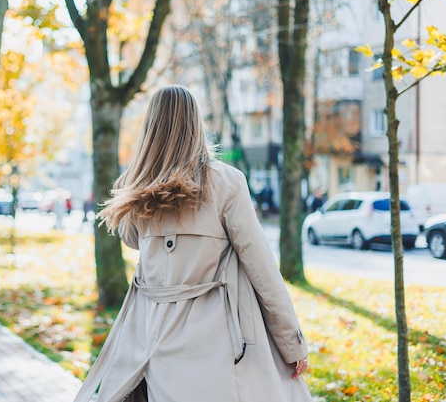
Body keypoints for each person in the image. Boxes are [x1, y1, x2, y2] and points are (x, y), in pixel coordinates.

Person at [74, 85, 311, 402]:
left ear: (150, 129)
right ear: (196, 125)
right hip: (215, 347)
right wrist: (292, 344)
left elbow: (132, 241)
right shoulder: (226, 183)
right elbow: (262, 270)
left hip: (152, 342)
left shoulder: (134, 188)